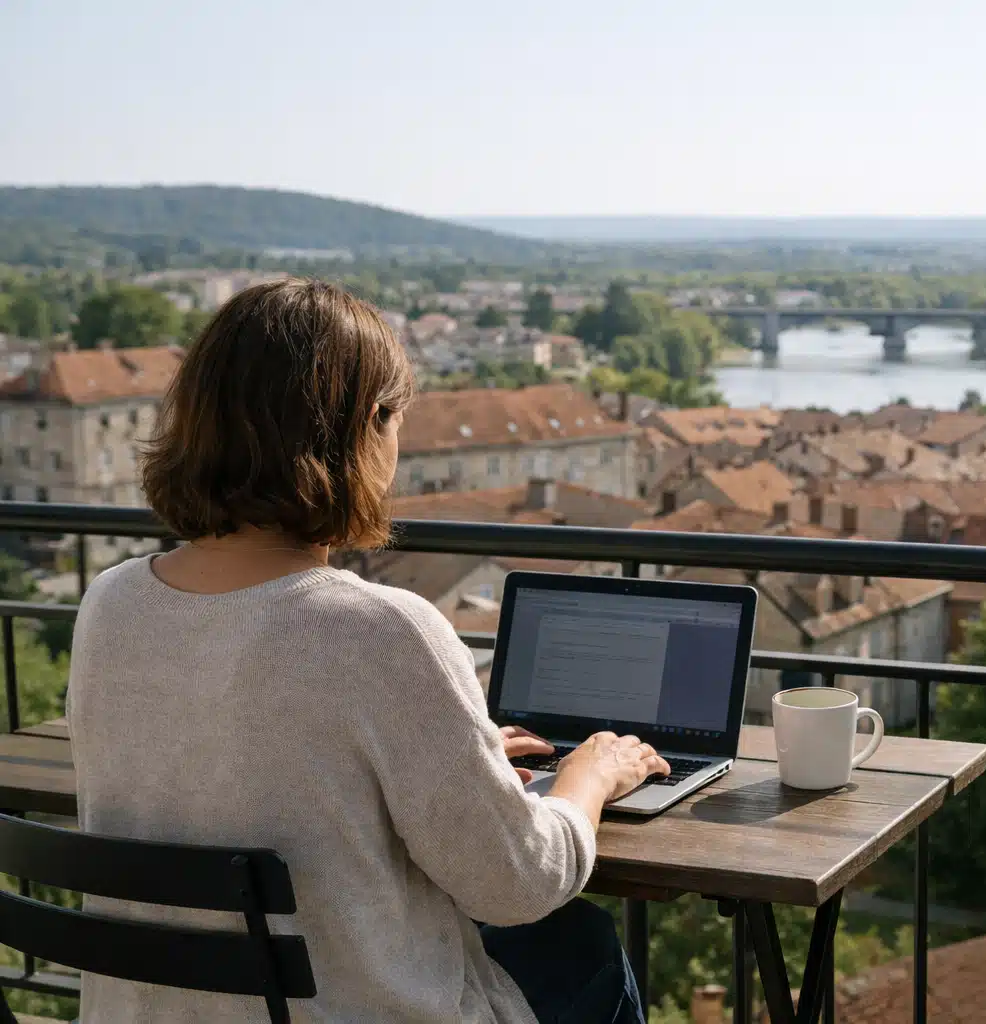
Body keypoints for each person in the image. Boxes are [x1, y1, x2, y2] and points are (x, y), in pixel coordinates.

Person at [67, 279, 666, 1023]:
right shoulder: (380, 630)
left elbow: (241, 778)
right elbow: (520, 883)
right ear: (363, 429)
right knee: (581, 947)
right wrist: (590, 775)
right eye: (393, 421)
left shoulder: (111, 602)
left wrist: (457, 753)